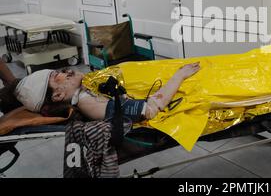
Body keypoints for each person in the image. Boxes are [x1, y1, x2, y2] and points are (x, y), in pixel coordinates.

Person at [11, 63, 201, 123]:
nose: (65, 72)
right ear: (58, 95)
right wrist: (179, 76)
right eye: (57, 76)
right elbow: (149, 109)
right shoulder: (88, 104)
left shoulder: (87, 89)